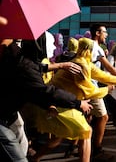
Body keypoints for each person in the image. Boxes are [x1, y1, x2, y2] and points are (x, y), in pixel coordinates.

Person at [0, 32, 92, 162]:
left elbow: (35, 71)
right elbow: (45, 90)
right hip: (4, 115)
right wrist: (78, 103)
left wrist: (61, 65)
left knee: (22, 144)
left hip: (10, 112)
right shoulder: (16, 57)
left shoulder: (13, 54)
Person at [88, 23, 116, 161]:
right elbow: (110, 69)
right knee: (103, 117)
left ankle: (82, 146)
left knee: (91, 117)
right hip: (93, 86)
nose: (106, 34)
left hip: (90, 85)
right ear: (97, 33)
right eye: (104, 32)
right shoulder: (97, 48)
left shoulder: (91, 46)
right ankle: (97, 150)